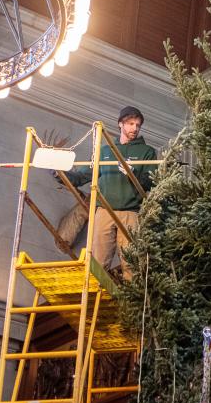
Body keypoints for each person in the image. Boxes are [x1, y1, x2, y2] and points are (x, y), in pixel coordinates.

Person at [61, 106, 156, 280]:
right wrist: (60, 174)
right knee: (98, 260)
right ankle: (92, 299)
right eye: (130, 123)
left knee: (131, 263)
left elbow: (152, 181)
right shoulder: (105, 151)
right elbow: (82, 176)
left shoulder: (147, 152)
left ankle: (130, 302)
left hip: (130, 213)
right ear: (120, 124)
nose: (134, 128)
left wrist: (131, 172)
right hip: (104, 212)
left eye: (138, 125)